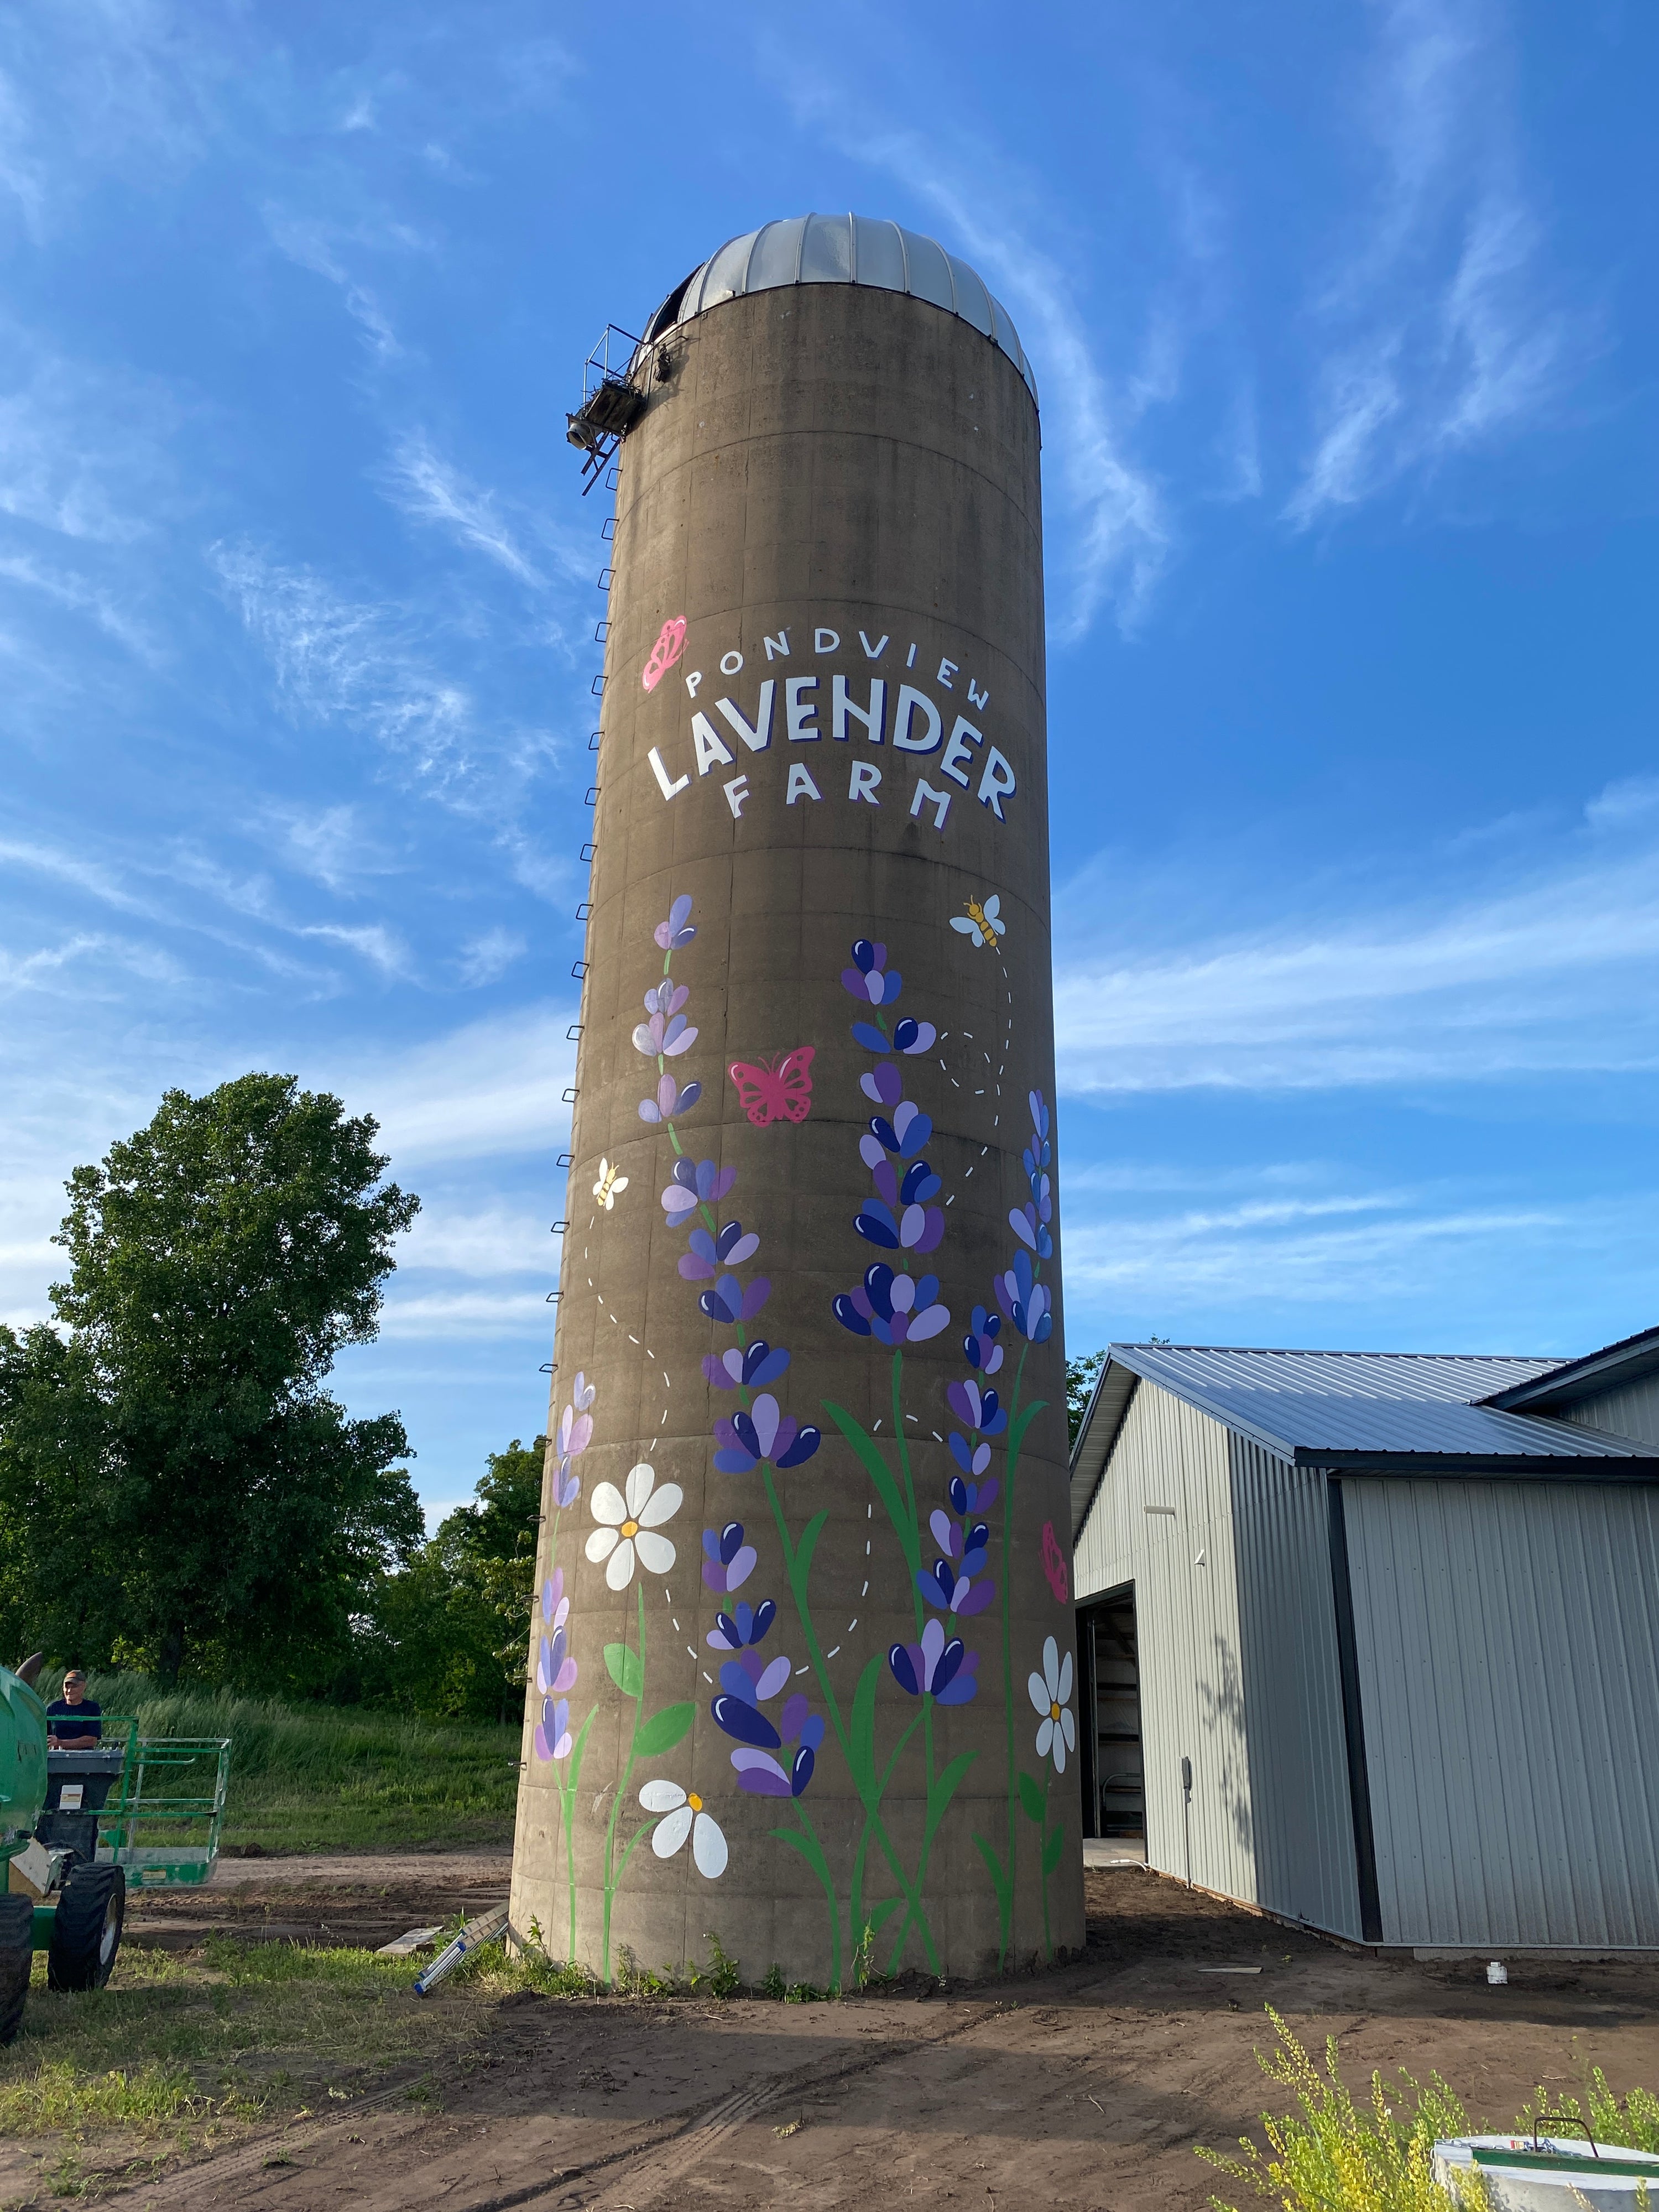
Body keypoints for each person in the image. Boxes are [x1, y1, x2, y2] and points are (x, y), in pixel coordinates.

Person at [45, 1671, 102, 1750]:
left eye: (74, 1687)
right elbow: (43, 1735)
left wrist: (61, 1743)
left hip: (84, 1757)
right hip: (57, 1756)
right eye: (67, 1687)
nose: (69, 1691)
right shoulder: (52, 1708)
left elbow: (91, 1740)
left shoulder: (92, 1708)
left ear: (83, 1686)